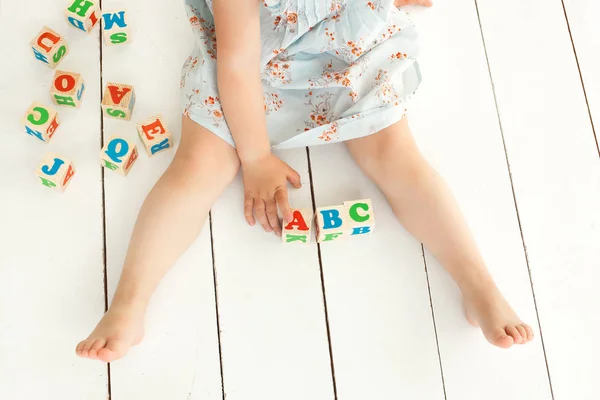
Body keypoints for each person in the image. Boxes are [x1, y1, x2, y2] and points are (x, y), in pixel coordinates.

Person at [76, 0, 533, 363]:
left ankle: (478, 285)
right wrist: (255, 157)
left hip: (346, 48)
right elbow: (236, 64)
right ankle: (128, 304)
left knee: (397, 157)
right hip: (251, 62)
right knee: (197, 165)